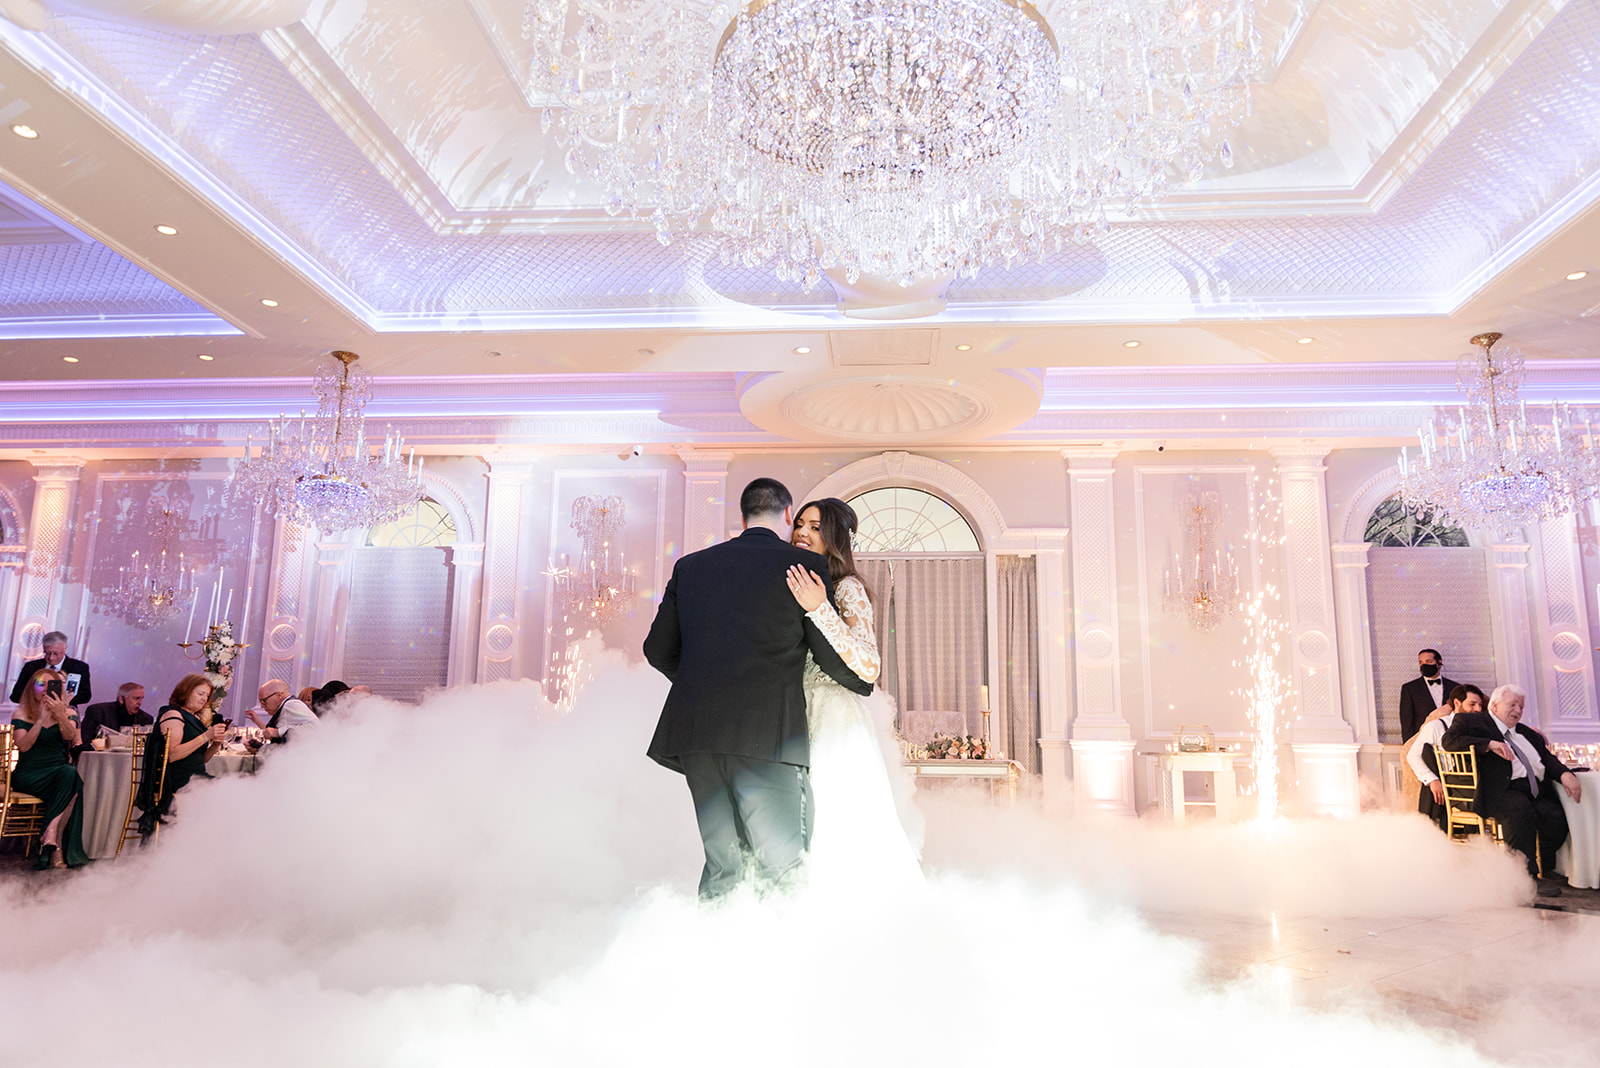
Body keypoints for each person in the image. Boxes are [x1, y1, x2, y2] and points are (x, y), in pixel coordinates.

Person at [643, 477, 871, 899]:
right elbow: (836, 663)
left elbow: (657, 650)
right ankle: (780, 963)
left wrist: (710, 683)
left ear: (742, 515)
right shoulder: (803, 569)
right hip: (770, 736)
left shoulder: (690, 566)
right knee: (783, 869)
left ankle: (716, 957)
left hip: (698, 738)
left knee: (723, 865)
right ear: (787, 516)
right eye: (799, 522)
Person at [786, 497, 922, 889]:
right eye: (799, 523)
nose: (802, 533)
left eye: (815, 527)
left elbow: (868, 665)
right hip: (795, 711)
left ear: (833, 538)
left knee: (834, 816)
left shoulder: (846, 589)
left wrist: (819, 609)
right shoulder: (796, 581)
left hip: (834, 714)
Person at [1441, 683, 1582, 896]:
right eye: (1512, 704)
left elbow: (1547, 759)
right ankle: (1525, 878)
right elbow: (1449, 741)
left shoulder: (1526, 732)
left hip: (1532, 790)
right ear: (1495, 706)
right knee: (1520, 809)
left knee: (1555, 815)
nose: (1518, 710)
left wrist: (1565, 774)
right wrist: (1488, 743)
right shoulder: (1474, 721)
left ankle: (1547, 868)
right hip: (1498, 790)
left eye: (1521, 707)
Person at [8, 669, 89, 869]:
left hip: (57, 771)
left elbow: (69, 736)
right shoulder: (21, 713)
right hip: (28, 774)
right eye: (40, 685)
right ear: (31, 688)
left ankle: (50, 833)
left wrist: (60, 714)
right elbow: (24, 746)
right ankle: (55, 846)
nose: (44, 690)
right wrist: (40, 721)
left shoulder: (69, 712)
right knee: (72, 787)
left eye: (50, 685)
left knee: (69, 774)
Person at [134, 674, 225, 834]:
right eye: (200, 693)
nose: (204, 699)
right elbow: (172, 755)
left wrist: (216, 744)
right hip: (177, 780)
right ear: (186, 691)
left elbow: (200, 759)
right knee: (229, 794)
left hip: (195, 777)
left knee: (233, 789)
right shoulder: (173, 715)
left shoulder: (193, 718)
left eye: (207, 695)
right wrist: (206, 736)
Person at [1405, 683, 1485, 830]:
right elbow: (1413, 755)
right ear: (1456, 703)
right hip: (1451, 789)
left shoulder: (1481, 729)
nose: (1478, 709)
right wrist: (1432, 780)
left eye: (1480, 705)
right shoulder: (1437, 726)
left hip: (1477, 786)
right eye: (1472, 704)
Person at [9, 630, 92, 709]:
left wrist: (61, 700)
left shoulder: (79, 667)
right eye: (47, 653)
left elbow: (85, 696)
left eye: (56, 653)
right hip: (33, 713)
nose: (51, 658)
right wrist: (38, 698)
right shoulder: (30, 667)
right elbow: (15, 695)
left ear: (65, 648)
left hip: (66, 713)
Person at [1399, 648, 1459, 743]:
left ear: (1439, 663)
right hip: (1423, 741)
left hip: (1451, 740)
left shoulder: (1455, 687)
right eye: (1421, 662)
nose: (1424, 665)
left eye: (1428, 661)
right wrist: (1408, 745)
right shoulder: (1409, 688)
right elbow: (1407, 722)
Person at [79, 683, 153, 748]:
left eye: (141, 699)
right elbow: (86, 742)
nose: (140, 703)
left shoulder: (146, 719)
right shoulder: (98, 712)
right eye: (136, 698)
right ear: (121, 699)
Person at [248, 680, 316, 744]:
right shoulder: (285, 707)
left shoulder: (291, 705)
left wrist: (278, 732)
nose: (262, 706)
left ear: (279, 695)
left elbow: (316, 727)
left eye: (264, 701)